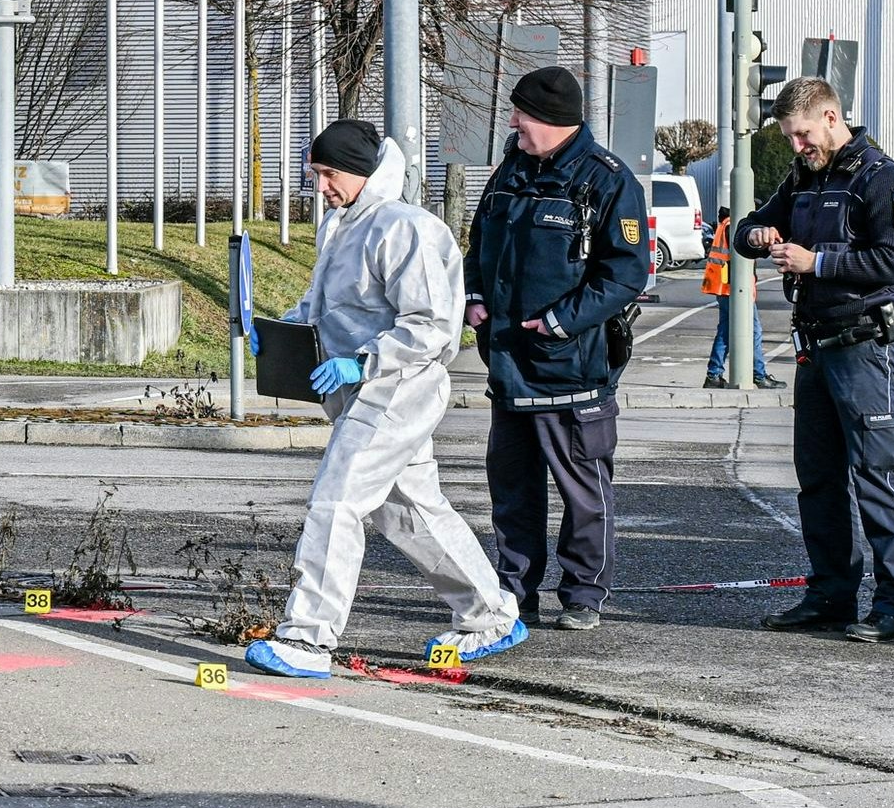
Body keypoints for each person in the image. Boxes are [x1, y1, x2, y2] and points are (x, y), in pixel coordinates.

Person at [246, 120, 527, 679]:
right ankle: (490, 613)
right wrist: (281, 329)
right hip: (365, 390)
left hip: (398, 389)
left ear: (361, 170)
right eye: (316, 174)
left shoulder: (407, 229)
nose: (321, 186)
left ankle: (307, 638)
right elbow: (326, 304)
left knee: (336, 500)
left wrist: (365, 361)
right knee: (410, 511)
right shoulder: (343, 225)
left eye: (328, 174)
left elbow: (434, 326)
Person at [737, 75, 894, 641]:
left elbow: (891, 262)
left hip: (867, 347)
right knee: (818, 479)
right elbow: (748, 226)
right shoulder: (803, 179)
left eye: (801, 135)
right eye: (790, 138)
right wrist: (760, 236)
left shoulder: (884, 181)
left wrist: (814, 262)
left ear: (830, 116)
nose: (796, 147)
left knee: (878, 475)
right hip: (816, 348)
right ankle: (830, 595)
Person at [464, 66, 650, 632]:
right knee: (512, 495)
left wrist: (559, 322)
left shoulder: (608, 182)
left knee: (583, 493)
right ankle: (515, 591)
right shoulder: (510, 172)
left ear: (550, 119)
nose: (514, 122)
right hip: (509, 367)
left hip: (572, 369)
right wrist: (474, 295)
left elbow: (626, 274)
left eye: (521, 113)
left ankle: (583, 593)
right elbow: (478, 244)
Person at [689, 140, 771, 387]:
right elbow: (740, 258)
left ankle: (714, 375)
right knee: (751, 331)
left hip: (724, 285)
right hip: (731, 287)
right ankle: (757, 374)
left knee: (727, 330)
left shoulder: (726, 223)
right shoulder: (733, 225)